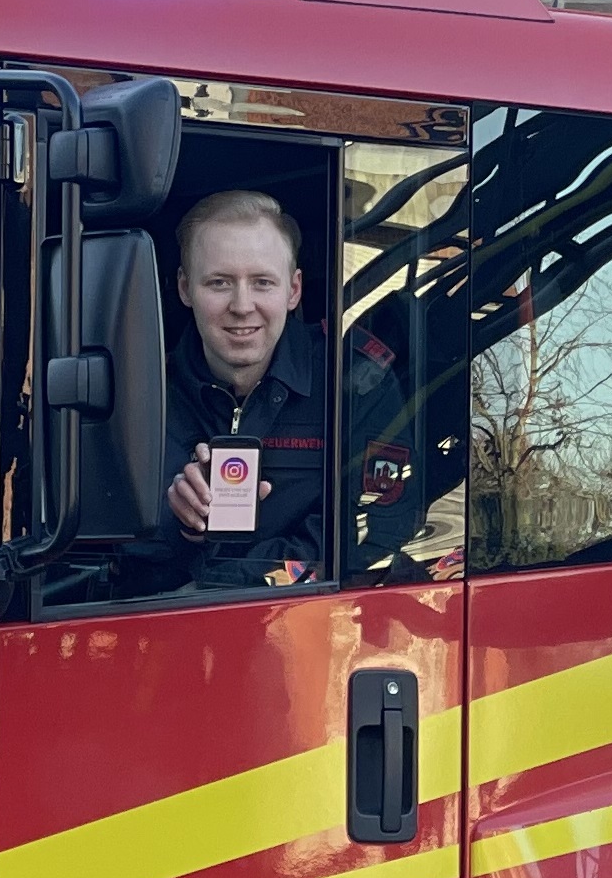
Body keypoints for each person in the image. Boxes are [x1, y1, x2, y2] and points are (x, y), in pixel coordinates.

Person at [122, 188, 409, 594]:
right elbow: (114, 561)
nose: (242, 305)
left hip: (312, 628)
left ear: (293, 291)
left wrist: (233, 581)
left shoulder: (356, 384)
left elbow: (378, 527)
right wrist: (184, 529)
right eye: (219, 282)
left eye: (262, 282)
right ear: (185, 289)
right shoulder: (137, 394)